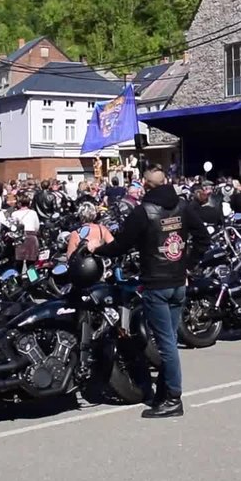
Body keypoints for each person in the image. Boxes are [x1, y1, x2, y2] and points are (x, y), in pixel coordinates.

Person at [93, 166, 209, 418]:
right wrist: (187, 265)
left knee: (166, 344)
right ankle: (163, 392)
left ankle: (174, 398)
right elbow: (203, 237)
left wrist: (96, 249)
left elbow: (120, 245)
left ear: (145, 185)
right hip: (178, 283)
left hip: (156, 285)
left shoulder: (143, 212)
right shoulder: (182, 206)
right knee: (168, 341)